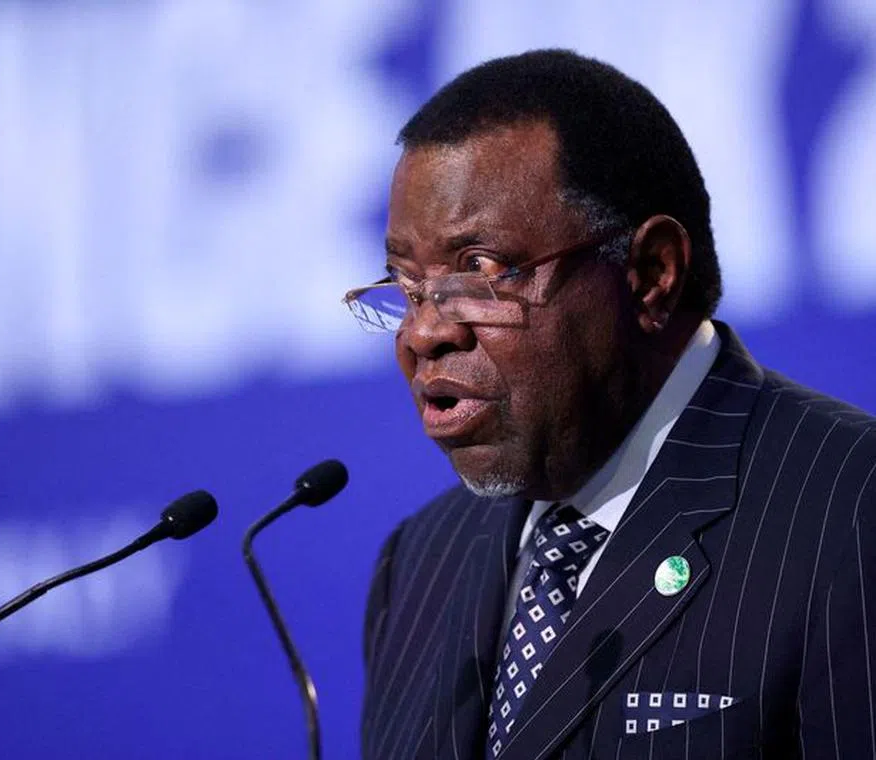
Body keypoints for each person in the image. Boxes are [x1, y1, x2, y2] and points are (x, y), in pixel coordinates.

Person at [348, 49, 876, 760]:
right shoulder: (418, 565)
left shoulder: (849, 510)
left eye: (480, 270)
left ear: (651, 273)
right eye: (408, 284)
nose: (424, 331)